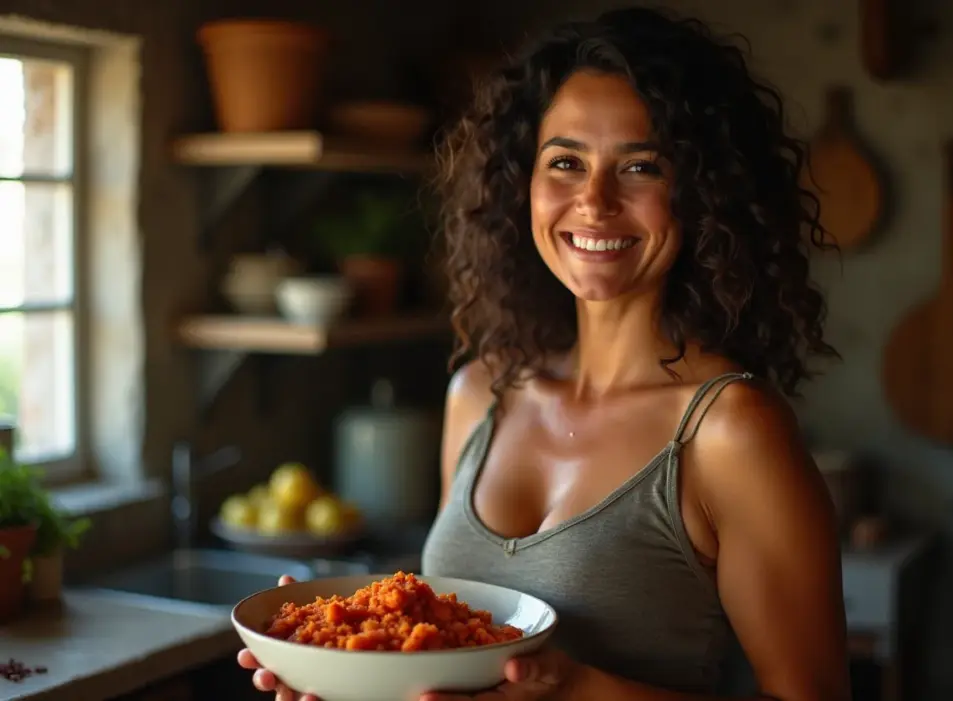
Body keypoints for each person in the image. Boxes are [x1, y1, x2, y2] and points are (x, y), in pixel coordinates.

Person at [238, 6, 851, 701]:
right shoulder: (479, 393)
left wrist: (578, 688)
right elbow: (453, 655)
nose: (594, 200)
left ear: (703, 194)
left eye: (641, 166)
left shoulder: (730, 430)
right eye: (565, 161)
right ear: (520, 184)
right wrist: (348, 664)